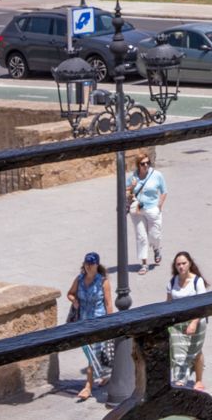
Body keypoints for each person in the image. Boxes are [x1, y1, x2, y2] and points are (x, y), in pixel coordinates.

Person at [65, 252, 114, 401]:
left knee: (93, 354)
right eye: (86, 263)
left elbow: (108, 303)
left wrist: (110, 323)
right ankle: (105, 375)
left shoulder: (103, 282)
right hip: (82, 322)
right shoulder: (79, 279)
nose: (88, 266)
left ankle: (88, 386)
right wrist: (74, 301)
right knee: (91, 352)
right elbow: (70, 293)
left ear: (97, 265)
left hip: (98, 322)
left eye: (91, 264)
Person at [165, 252, 209, 390]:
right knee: (178, 352)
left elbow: (202, 306)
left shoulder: (197, 282)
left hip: (197, 322)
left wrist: (194, 323)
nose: (181, 266)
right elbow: (168, 303)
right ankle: (180, 380)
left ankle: (199, 380)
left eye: (184, 263)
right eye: (178, 264)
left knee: (195, 352)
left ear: (189, 263)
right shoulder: (172, 282)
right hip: (178, 324)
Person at [126, 155, 167, 274]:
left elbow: (164, 191)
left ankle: (156, 248)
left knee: (155, 235)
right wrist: (132, 187)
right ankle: (144, 264)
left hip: (152, 208)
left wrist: (159, 205)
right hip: (137, 209)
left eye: (148, 163)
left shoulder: (157, 175)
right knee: (141, 237)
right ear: (138, 165)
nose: (146, 165)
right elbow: (126, 192)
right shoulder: (133, 177)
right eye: (143, 164)